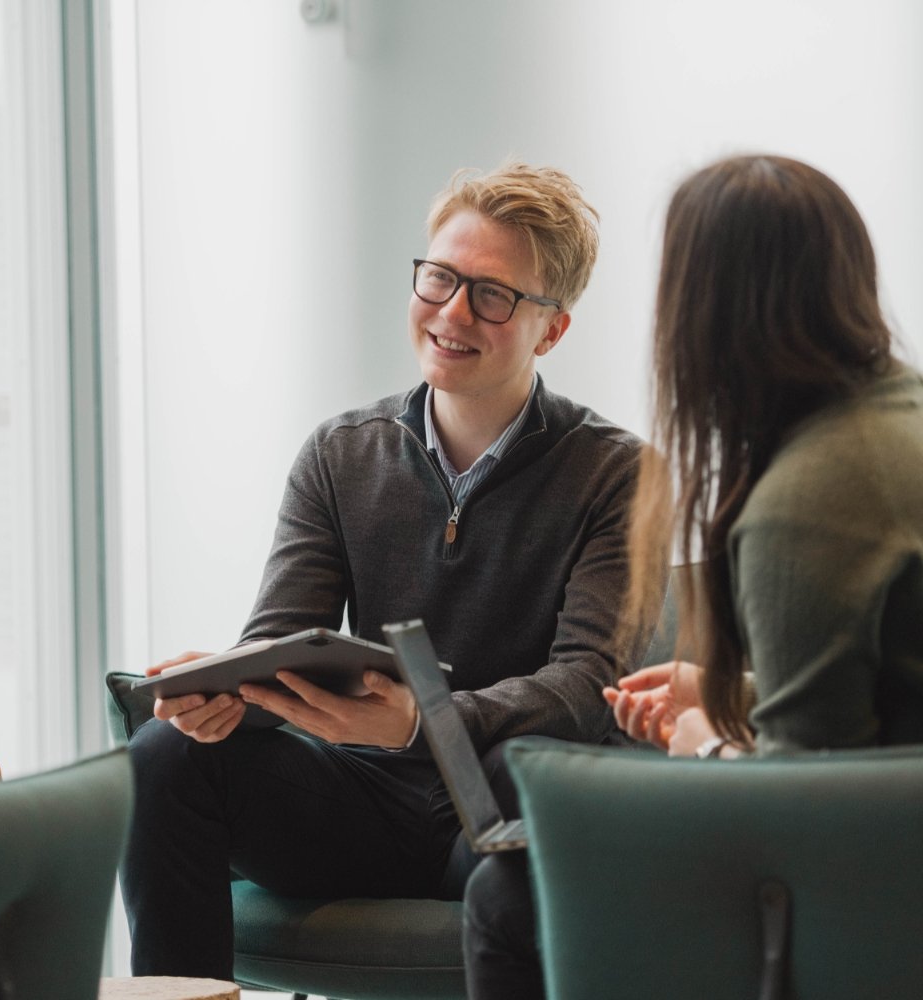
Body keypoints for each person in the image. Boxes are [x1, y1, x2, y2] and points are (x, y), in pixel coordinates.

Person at [121, 162, 653, 979]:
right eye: (439, 277)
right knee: (164, 753)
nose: (451, 312)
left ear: (552, 329)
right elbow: (278, 642)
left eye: (493, 293)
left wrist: (423, 722)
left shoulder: (617, 474)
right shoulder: (342, 454)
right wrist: (227, 694)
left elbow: (589, 685)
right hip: (355, 803)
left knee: (536, 782)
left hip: (493, 810)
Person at [463, 154, 923, 999]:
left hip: (888, 890)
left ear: (705, 312)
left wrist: (703, 743)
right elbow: (887, 704)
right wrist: (730, 692)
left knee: (507, 895)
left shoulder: (808, 497)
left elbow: (811, 808)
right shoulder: (900, 416)